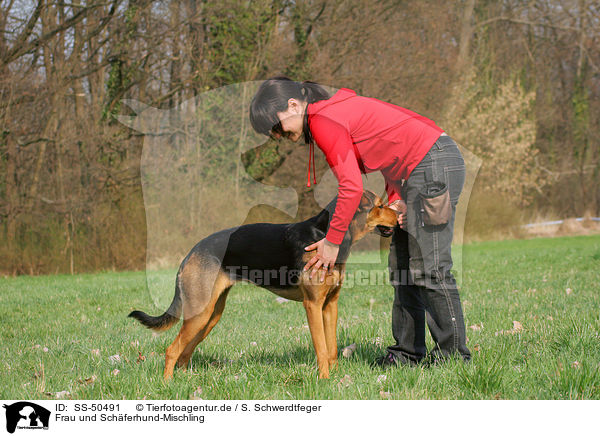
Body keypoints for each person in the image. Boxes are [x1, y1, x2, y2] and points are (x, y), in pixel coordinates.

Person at [249, 76, 470, 367]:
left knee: (429, 267)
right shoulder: (329, 114)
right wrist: (396, 195)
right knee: (402, 268)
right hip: (418, 168)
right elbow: (390, 150)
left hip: (433, 164)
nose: (277, 135)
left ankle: (454, 358)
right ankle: (407, 354)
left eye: (276, 126)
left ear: (292, 105)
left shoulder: (324, 120)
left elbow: (351, 188)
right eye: (271, 133)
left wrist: (332, 241)